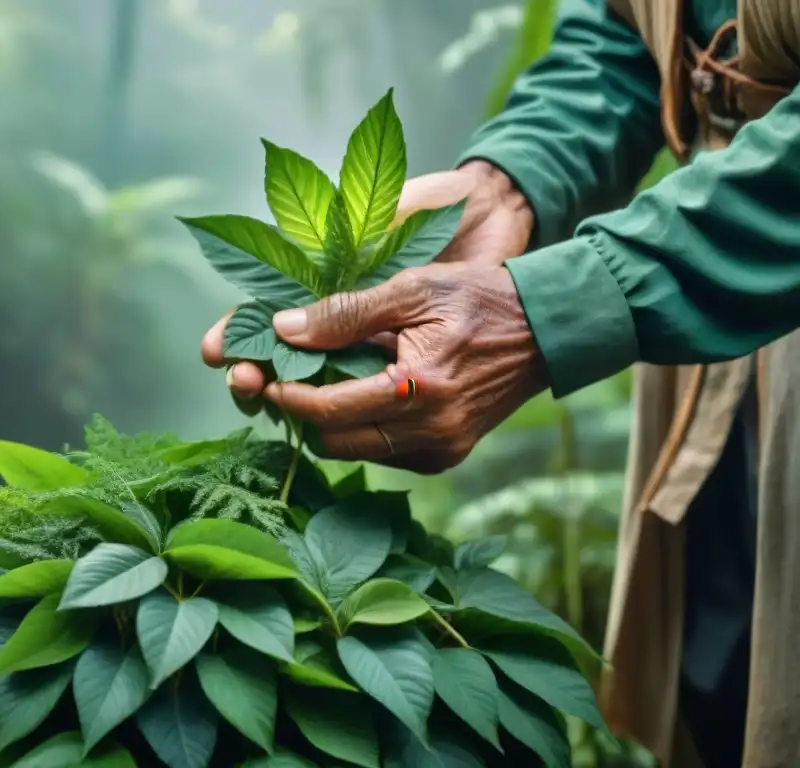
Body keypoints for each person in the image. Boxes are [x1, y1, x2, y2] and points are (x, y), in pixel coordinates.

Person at [200, 1, 800, 766]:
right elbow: (621, 33)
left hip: (740, 269)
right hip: (714, 338)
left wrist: (554, 308)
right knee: (718, 673)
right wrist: (510, 184)